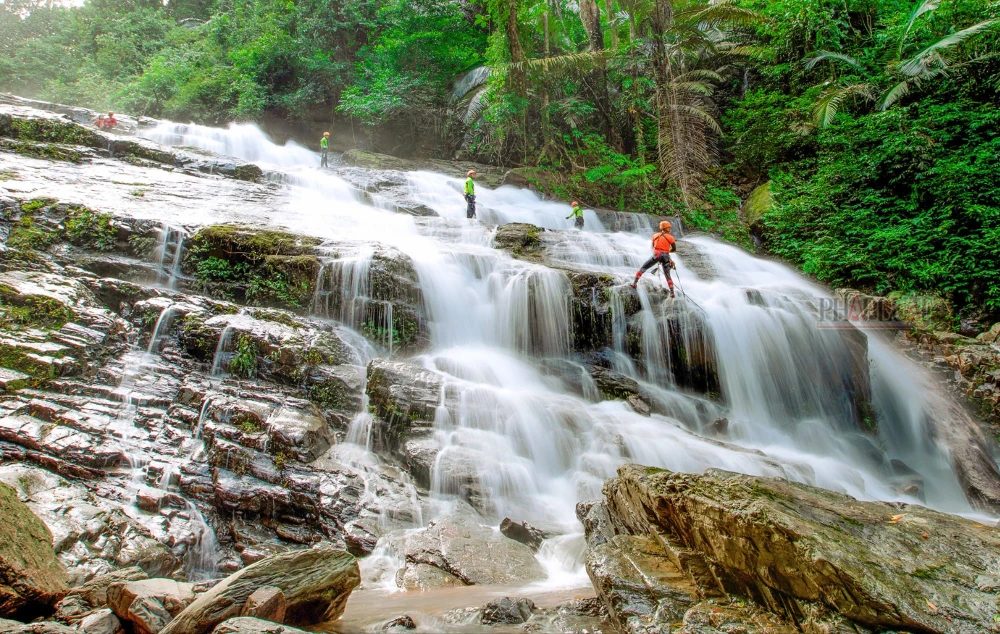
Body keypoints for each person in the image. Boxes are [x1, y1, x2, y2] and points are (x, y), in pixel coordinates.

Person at [631, 220, 676, 298]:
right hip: (666, 256)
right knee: (667, 275)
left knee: (643, 268)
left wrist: (658, 254)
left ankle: (634, 283)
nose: (670, 229)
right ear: (667, 229)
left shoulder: (655, 235)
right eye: (669, 228)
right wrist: (667, 251)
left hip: (657, 255)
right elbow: (674, 249)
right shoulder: (671, 237)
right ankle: (672, 293)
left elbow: (653, 247)